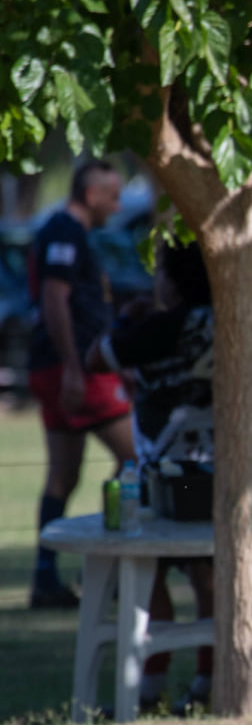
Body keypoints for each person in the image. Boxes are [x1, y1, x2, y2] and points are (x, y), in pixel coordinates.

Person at [87, 240, 216, 709]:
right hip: (216, 473)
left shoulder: (162, 326)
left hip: (163, 477)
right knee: (207, 575)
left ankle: (149, 688)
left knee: (147, 571)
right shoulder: (228, 323)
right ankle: (207, 681)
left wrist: (128, 319)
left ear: (175, 281)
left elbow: (96, 358)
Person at [26, 158, 134, 609]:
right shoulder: (65, 232)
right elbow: (55, 297)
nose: (118, 205)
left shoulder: (64, 231)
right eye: (113, 196)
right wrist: (73, 365)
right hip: (76, 371)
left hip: (59, 367)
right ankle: (112, 567)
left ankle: (45, 578)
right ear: (91, 195)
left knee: (63, 475)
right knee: (137, 459)